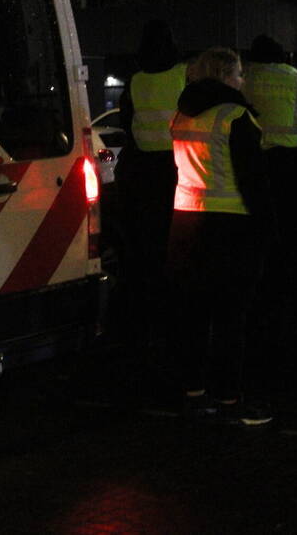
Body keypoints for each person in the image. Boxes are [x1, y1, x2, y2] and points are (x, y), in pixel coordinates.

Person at [168, 47, 274, 426]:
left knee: (193, 314)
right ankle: (231, 400)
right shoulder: (236, 116)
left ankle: (194, 394)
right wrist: (266, 227)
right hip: (231, 227)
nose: (243, 80)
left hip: (185, 225)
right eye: (240, 74)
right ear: (227, 76)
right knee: (231, 318)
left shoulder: (182, 113)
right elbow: (253, 183)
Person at [115, 21, 187, 354]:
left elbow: (125, 120)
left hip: (142, 173)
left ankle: (138, 323)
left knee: (143, 254)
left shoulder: (136, 80)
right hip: (175, 171)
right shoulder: (184, 75)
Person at [241, 35, 297, 362]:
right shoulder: (294, 76)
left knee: (259, 238)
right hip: (289, 163)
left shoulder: (247, 76)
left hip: (257, 161)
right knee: (285, 238)